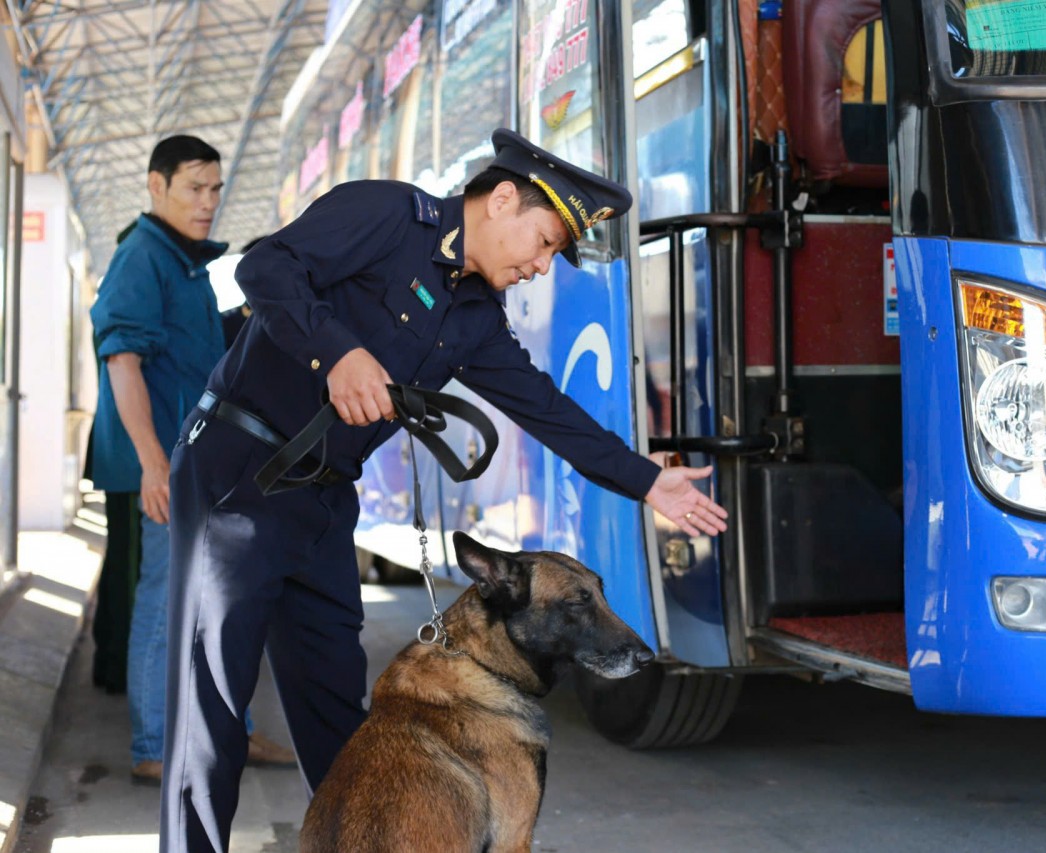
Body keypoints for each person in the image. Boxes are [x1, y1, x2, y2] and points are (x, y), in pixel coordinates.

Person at [161, 128, 729, 851]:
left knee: (348, 722)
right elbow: (266, 267)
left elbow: (545, 408)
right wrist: (338, 351)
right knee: (210, 717)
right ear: (500, 200)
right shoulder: (388, 214)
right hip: (236, 474)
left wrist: (649, 481)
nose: (541, 265)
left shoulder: (475, 320)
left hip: (324, 500)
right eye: (546, 241)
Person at [88, 134, 295, 786]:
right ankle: (154, 746)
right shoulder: (140, 258)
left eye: (215, 189)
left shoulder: (183, 262)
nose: (208, 203)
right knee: (164, 601)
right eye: (193, 189)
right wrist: (153, 462)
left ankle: (225, 730)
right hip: (168, 468)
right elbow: (123, 362)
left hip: (197, 465)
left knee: (214, 601)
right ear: (156, 186)